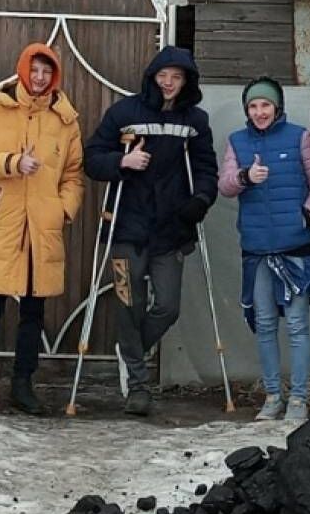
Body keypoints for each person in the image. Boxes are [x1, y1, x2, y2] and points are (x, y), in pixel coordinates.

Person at [83, 46, 217, 416]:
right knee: (129, 305)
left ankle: (130, 353)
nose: (169, 83)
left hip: (171, 229)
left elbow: (206, 167)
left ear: (186, 80)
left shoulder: (196, 120)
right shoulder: (124, 113)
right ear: (152, 76)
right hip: (127, 226)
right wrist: (122, 161)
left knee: (168, 306)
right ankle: (138, 389)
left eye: (177, 77)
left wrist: (201, 199)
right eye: (163, 76)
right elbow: (92, 159)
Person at [0, 43, 84, 414]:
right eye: (35, 70)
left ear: (54, 76)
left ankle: (22, 384)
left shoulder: (65, 120)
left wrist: (63, 211)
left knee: (33, 312)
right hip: (5, 224)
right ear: (22, 70)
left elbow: (74, 174)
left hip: (42, 227)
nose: (40, 77)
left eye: (47, 72)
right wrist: (13, 162)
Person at [218, 77, 310, 422]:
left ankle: (298, 399)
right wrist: (244, 176)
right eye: (253, 106)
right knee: (266, 324)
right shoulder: (237, 142)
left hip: (294, 249)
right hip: (257, 251)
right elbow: (224, 186)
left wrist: (308, 213)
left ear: (277, 107)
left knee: (298, 325)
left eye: (265, 105)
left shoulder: (300, 137)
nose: (259, 112)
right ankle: (272, 396)